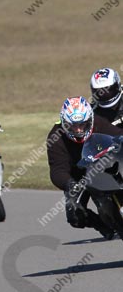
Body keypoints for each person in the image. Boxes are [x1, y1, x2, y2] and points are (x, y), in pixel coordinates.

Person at [47, 96, 123, 237]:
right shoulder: (55, 138)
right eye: (73, 126)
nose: (78, 130)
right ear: (64, 124)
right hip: (77, 176)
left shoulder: (99, 122)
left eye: (82, 124)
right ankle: (100, 224)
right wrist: (69, 184)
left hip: (101, 164)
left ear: (90, 120)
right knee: (75, 215)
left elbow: (118, 135)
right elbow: (57, 169)